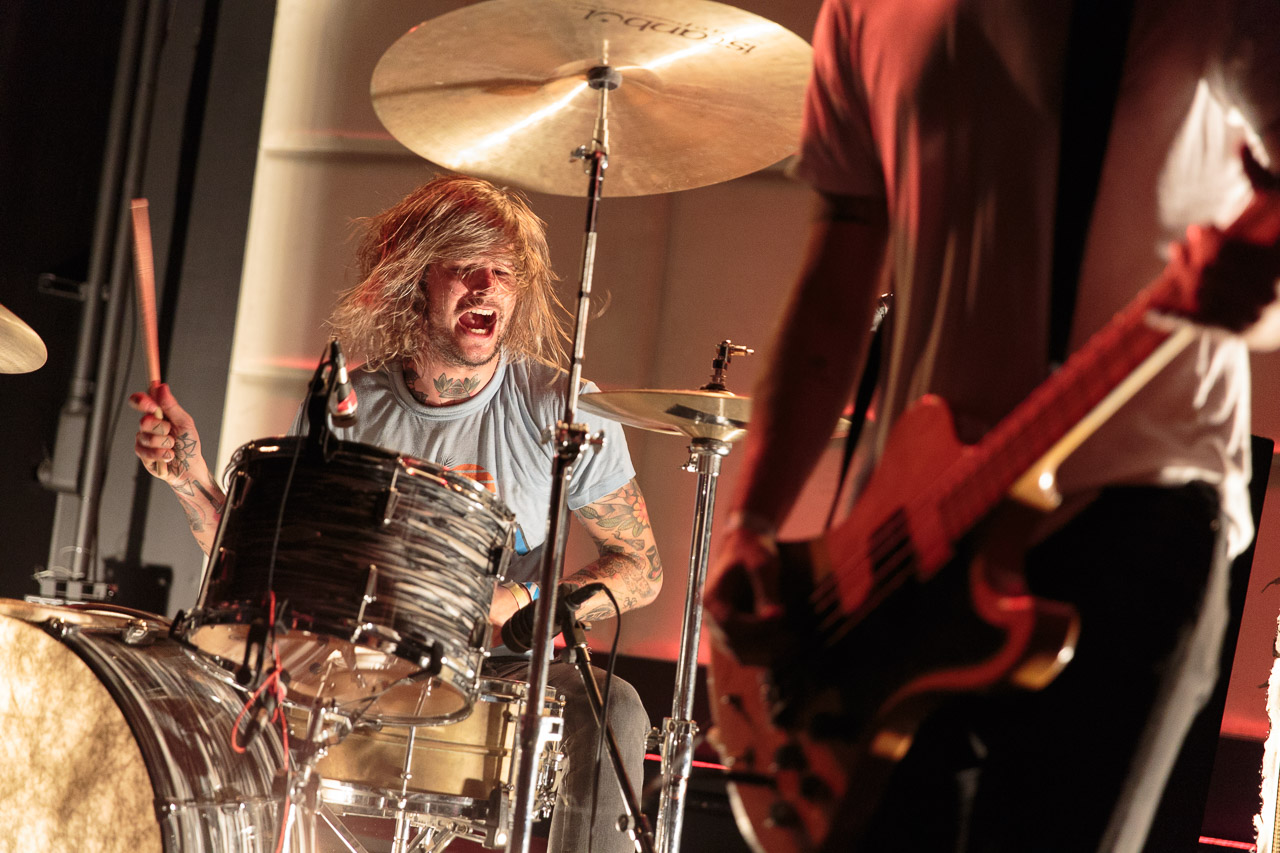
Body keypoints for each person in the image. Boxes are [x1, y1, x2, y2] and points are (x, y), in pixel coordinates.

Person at [707, 1, 1280, 851]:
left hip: (1134, 506)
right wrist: (750, 520)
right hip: (909, 539)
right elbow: (837, 277)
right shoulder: (860, 11)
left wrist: (1257, 293)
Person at [131, 174, 662, 853]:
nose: (487, 285)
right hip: (360, 666)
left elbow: (641, 568)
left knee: (615, 705)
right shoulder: (348, 407)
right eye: (464, 266)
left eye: (503, 271)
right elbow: (261, 564)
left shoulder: (561, 410)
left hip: (500, 669)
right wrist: (189, 477)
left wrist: (525, 602)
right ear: (416, 277)